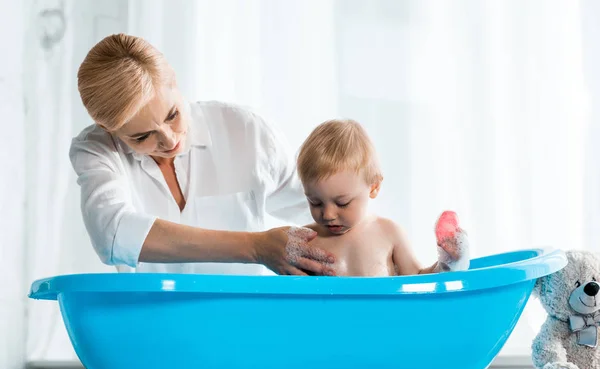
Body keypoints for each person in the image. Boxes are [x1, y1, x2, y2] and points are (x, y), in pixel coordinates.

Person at [71, 33, 338, 286]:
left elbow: (325, 212)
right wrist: (255, 247)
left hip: (245, 320)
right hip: (151, 323)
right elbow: (113, 234)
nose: (169, 140)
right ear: (109, 130)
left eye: (172, 115)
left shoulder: (247, 131)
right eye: (142, 137)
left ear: (173, 80)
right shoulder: (97, 149)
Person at [296, 119, 470, 276]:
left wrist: (449, 262)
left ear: (374, 187)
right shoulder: (305, 242)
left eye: (342, 203)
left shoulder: (388, 233)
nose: (327, 214)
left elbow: (417, 279)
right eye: (315, 202)